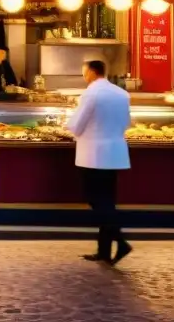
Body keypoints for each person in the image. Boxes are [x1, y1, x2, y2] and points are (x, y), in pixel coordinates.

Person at [66, 59, 132, 264]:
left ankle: (120, 242)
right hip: (115, 152)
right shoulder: (122, 93)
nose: (84, 77)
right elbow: (127, 123)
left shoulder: (91, 93)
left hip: (93, 154)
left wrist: (66, 125)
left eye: (84, 73)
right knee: (108, 199)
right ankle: (103, 251)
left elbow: (76, 125)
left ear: (92, 73)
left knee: (97, 200)